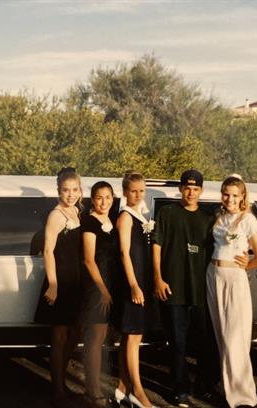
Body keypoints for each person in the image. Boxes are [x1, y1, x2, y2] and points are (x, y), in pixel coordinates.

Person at [152, 169, 219, 408]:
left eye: (196, 188)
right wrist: (158, 278)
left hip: (201, 291)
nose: (191, 192)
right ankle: (179, 390)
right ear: (181, 189)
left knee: (204, 344)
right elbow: (156, 246)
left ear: (201, 191)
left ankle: (204, 386)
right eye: (187, 188)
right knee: (177, 343)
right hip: (173, 290)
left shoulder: (208, 219)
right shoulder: (167, 213)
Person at [206, 175, 257, 408]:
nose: (229, 199)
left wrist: (245, 265)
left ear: (242, 197)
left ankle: (244, 397)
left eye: (234, 195)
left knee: (235, 337)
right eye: (226, 194)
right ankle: (226, 386)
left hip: (234, 278)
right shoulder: (219, 218)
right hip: (213, 275)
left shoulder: (248, 220)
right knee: (221, 335)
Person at [34, 167, 83, 407]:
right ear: (58, 191)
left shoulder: (77, 211)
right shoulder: (55, 215)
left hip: (75, 280)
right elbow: (47, 251)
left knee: (75, 332)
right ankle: (58, 391)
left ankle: (61, 381)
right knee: (60, 337)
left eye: (74, 190)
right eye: (66, 190)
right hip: (60, 279)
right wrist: (53, 284)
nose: (70, 194)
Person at [114, 171, 161, 408]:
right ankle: (138, 392)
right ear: (125, 192)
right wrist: (134, 285)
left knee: (130, 336)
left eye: (141, 190)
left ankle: (122, 387)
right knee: (133, 337)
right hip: (132, 284)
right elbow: (124, 253)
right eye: (133, 191)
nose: (138, 195)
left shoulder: (140, 215)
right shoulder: (125, 217)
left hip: (141, 280)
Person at [81, 181, 119, 407]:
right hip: (96, 288)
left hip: (110, 285)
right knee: (94, 339)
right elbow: (89, 260)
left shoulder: (112, 220)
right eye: (99, 197)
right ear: (92, 200)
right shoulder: (89, 222)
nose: (104, 202)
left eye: (108, 197)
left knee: (102, 336)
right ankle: (92, 391)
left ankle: (93, 387)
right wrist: (103, 290)